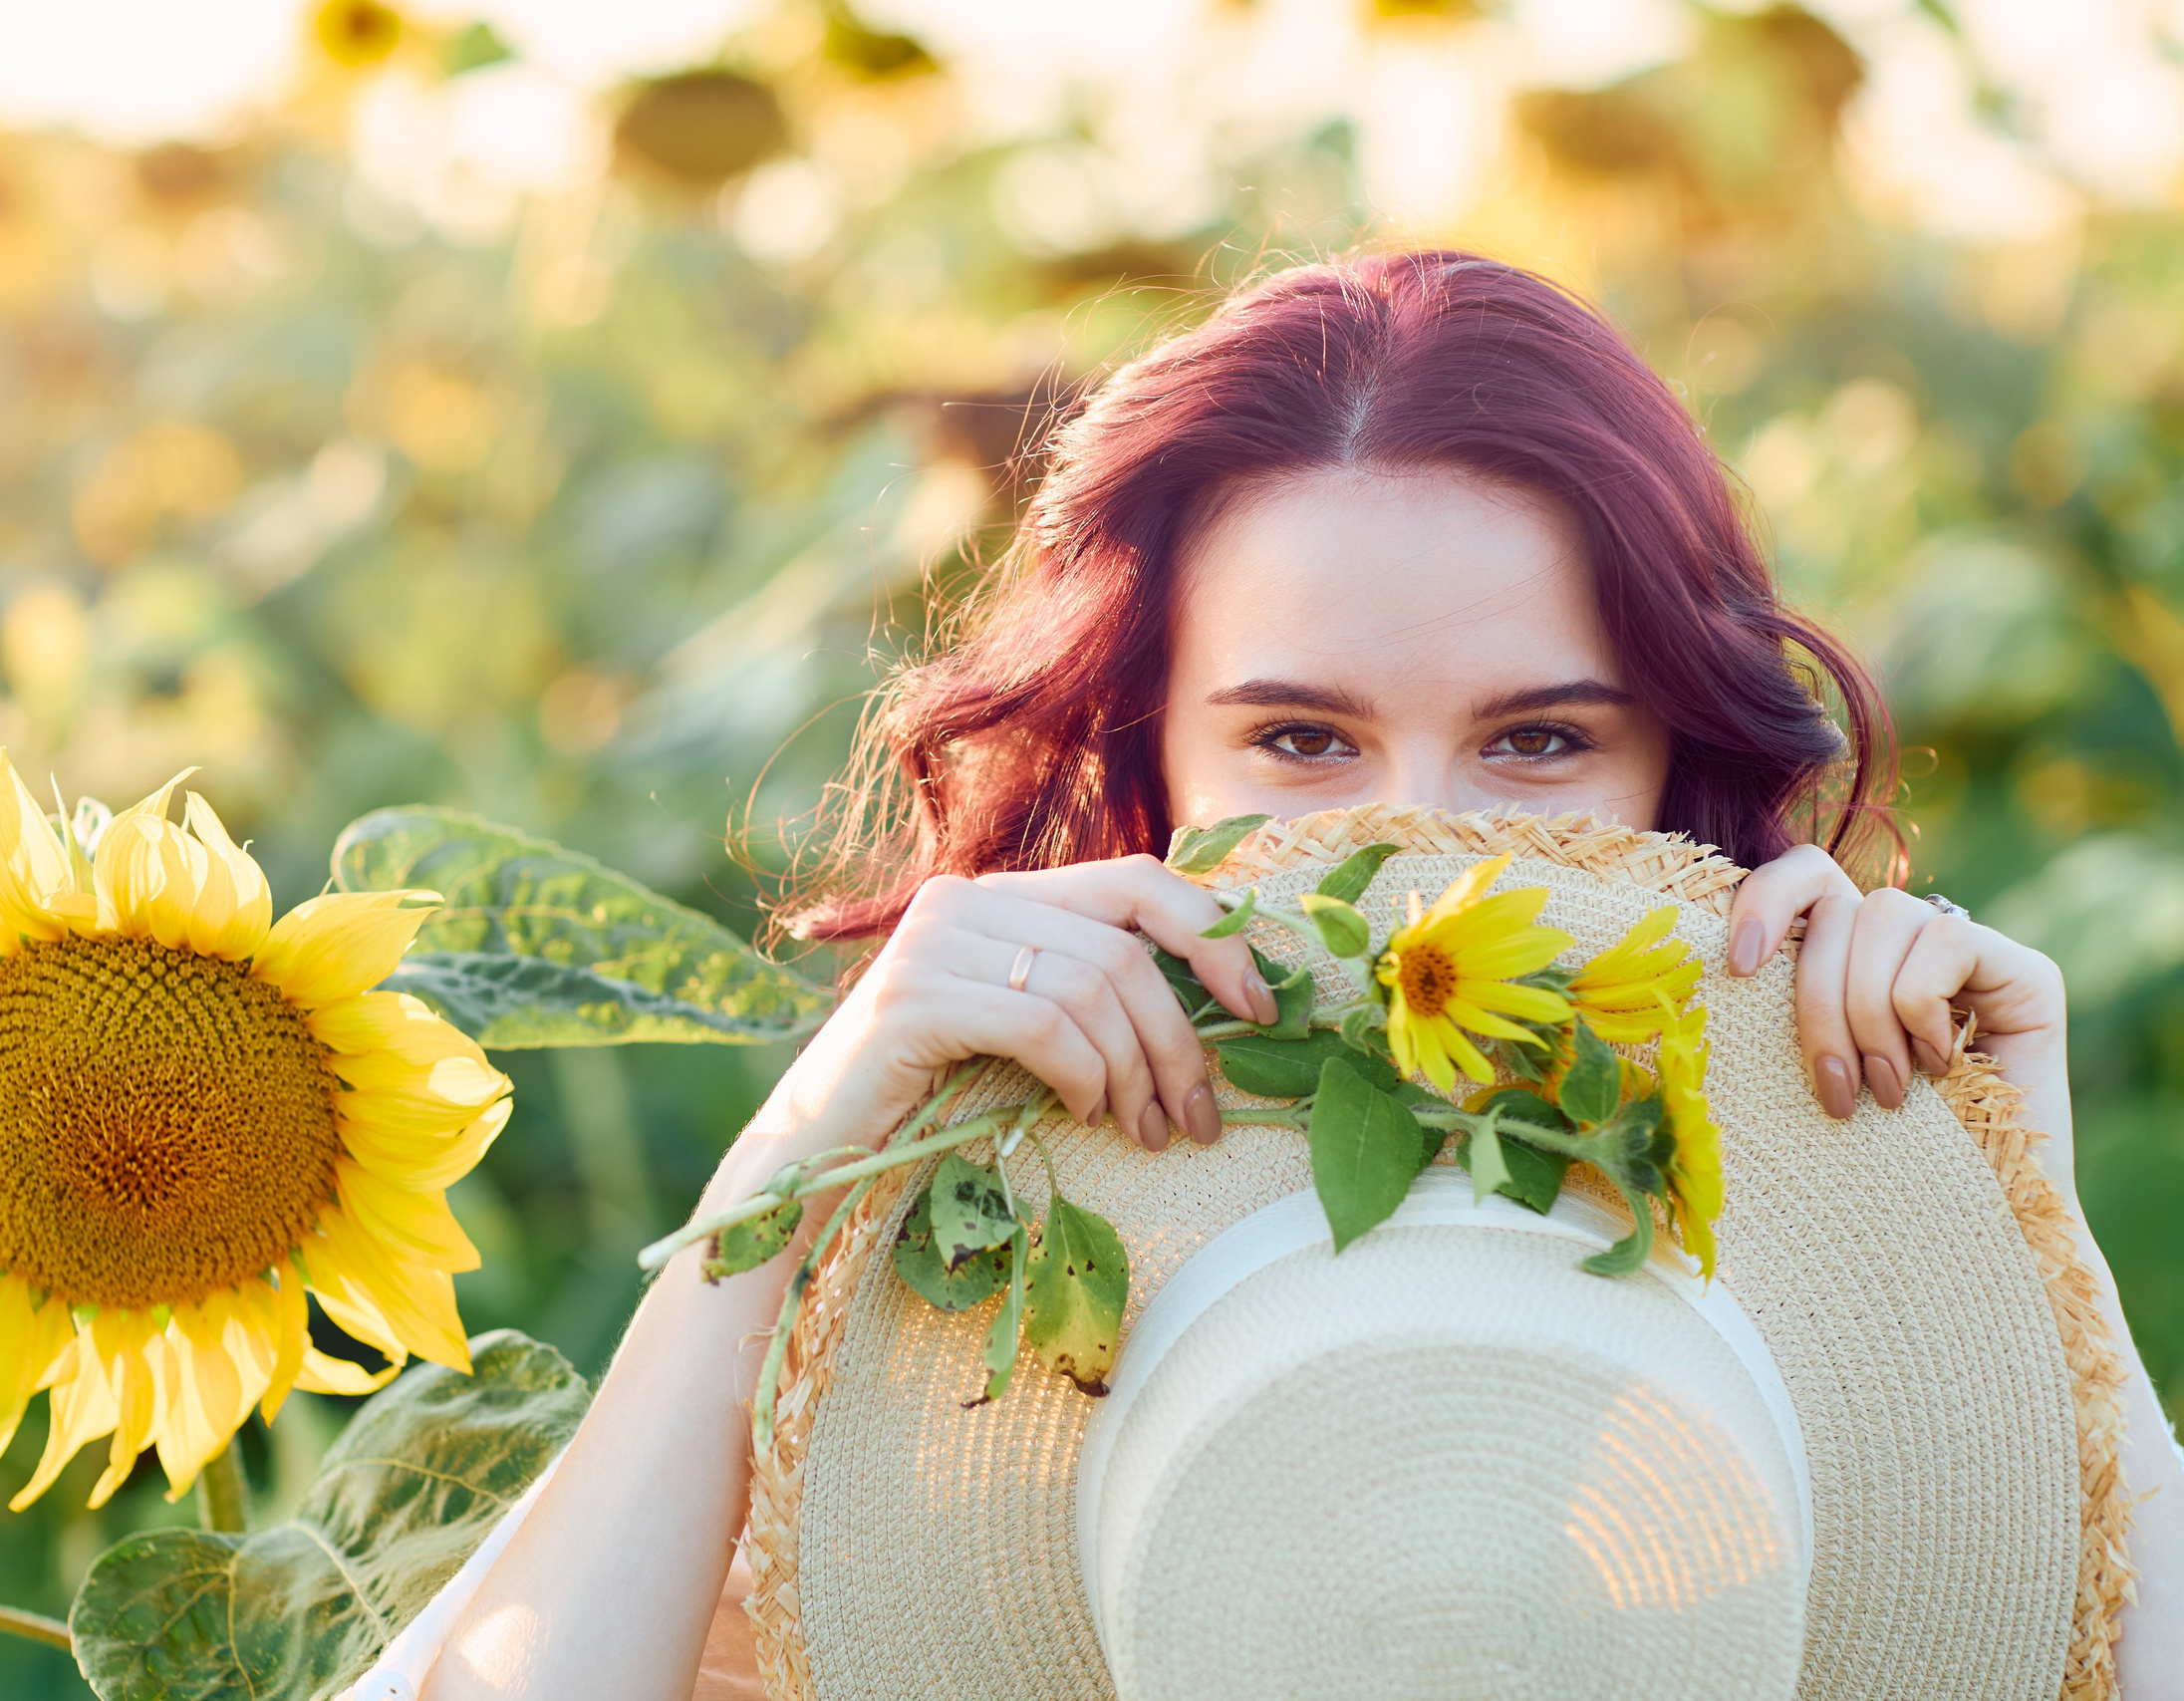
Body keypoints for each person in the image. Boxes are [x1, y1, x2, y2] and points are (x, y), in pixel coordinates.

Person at [418, 250, 2184, 1698]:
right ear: (1145, 756)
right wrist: (792, 1199)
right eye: (1303, 740)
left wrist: (2010, 1247)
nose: (1414, 845)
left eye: (1542, 742)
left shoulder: (1810, 1284)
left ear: (1674, 760)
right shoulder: (935, 1299)